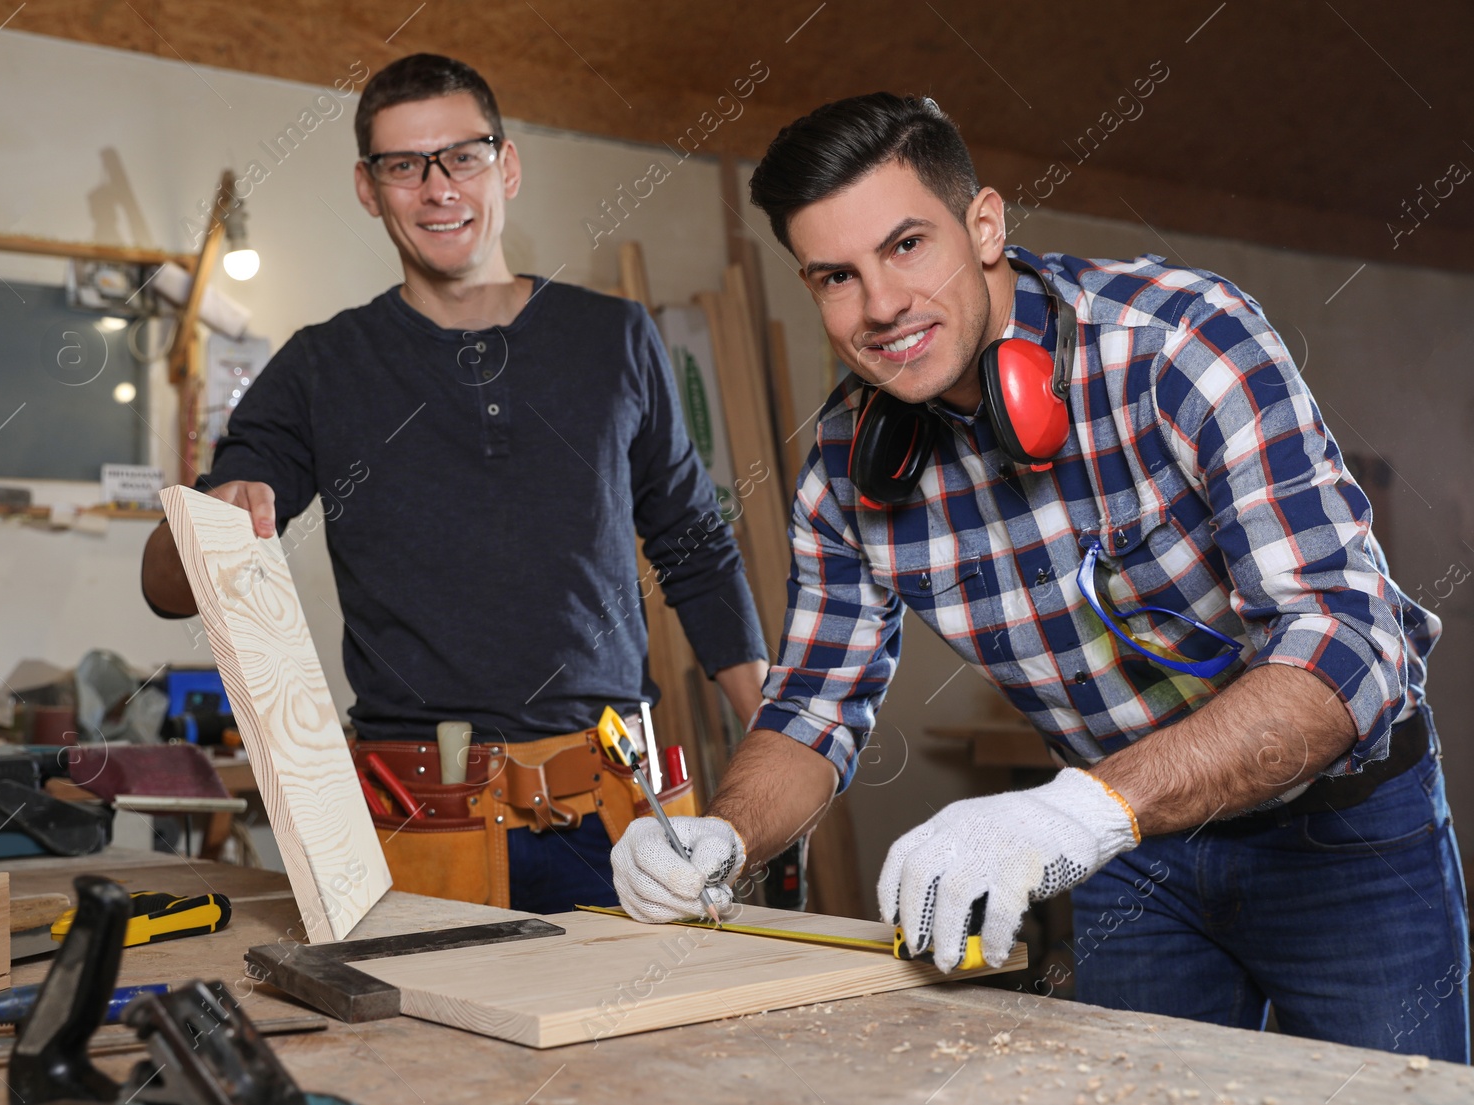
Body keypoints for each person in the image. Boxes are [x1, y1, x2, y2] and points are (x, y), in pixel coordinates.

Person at [609, 92, 1468, 1060]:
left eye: (905, 247)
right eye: (835, 276)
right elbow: (810, 705)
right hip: (1127, 852)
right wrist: (721, 838)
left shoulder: (1180, 342)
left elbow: (1347, 642)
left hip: (1340, 832)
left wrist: (1072, 810)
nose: (880, 306)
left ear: (984, 223)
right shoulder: (844, 472)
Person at [142, 54, 767, 914]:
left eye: (462, 156)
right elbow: (171, 588)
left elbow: (694, 545)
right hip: (418, 826)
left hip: (627, 813)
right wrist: (209, 521)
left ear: (505, 165)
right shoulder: (322, 366)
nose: (438, 188)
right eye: (404, 165)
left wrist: (774, 750)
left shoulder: (612, 337)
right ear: (369, 188)